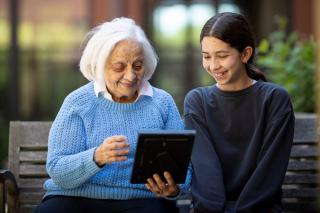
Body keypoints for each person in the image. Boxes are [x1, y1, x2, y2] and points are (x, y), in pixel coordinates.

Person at [34, 17, 189, 213]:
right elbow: (58, 170)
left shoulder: (162, 103)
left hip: (141, 199)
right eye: (119, 67)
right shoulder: (78, 102)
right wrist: (97, 156)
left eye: (138, 66)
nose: (131, 75)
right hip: (76, 198)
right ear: (99, 65)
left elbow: (185, 171)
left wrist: (173, 189)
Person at [184, 12, 295, 212]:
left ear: (245, 54)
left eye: (222, 56)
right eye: (206, 56)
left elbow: (268, 173)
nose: (213, 65)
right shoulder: (197, 101)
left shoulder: (274, 100)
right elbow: (206, 170)